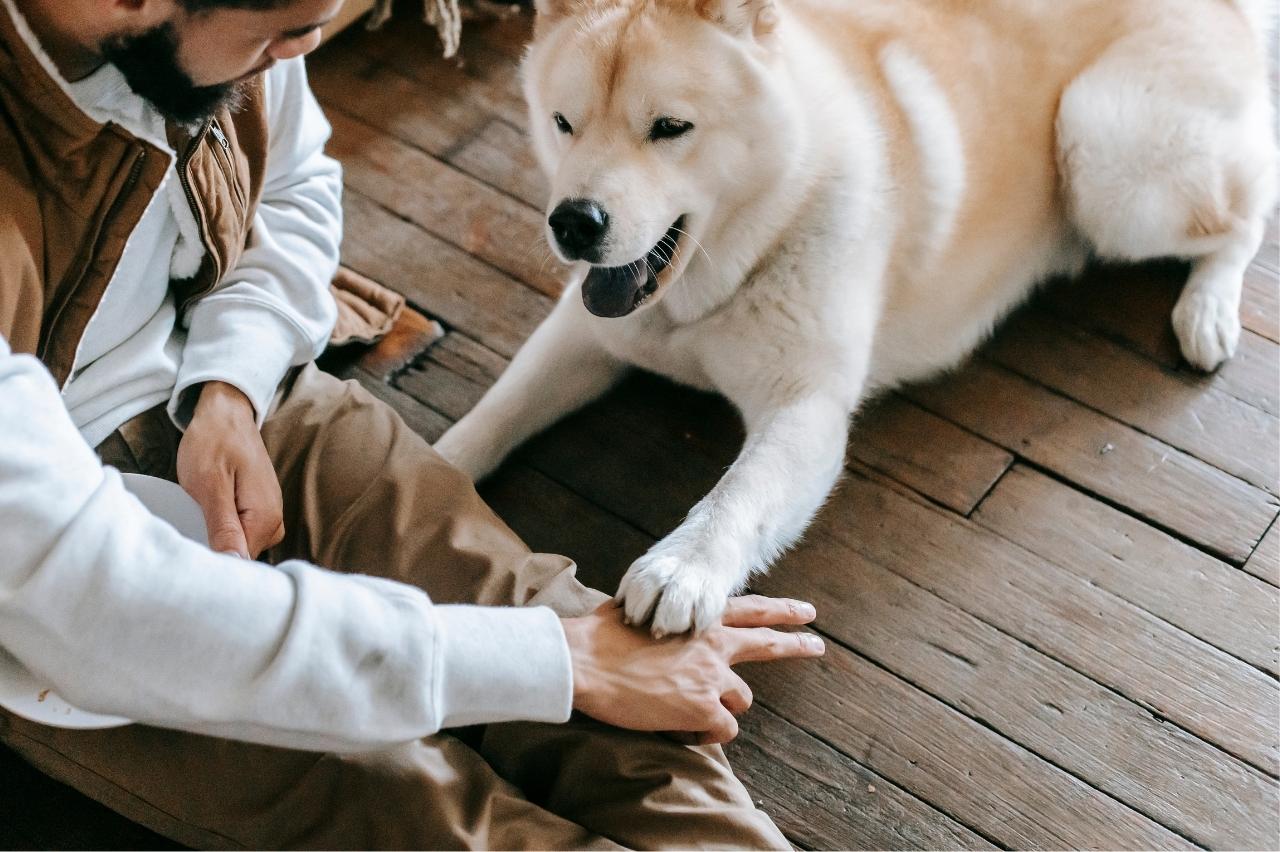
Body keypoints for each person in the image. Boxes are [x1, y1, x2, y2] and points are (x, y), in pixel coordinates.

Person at [0, 0, 826, 847]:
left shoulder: (222, 39)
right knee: (422, 812)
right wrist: (557, 662)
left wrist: (231, 385)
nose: (304, 51)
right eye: (280, 32)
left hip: (235, 396)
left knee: (584, 646)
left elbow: (294, 182)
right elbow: (99, 607)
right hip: (37, 606)